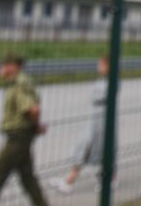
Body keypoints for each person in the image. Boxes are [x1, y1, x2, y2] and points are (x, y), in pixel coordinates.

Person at [0, 54, 48, 206]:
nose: (0, 69)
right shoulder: (18, 82)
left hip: (18, 136)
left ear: (12, 66)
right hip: (21, 134)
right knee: (27, 177)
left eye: (2, 65)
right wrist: (36, 126)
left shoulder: (19, 84)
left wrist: (36, 126)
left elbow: (33, 109)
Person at [48, 56, 109, 194]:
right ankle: (71, 179)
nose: (98, 67)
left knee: (88, 147)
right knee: (88, 148)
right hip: (96, 119)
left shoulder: (112, 81)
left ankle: (70, 181)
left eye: (101, 65)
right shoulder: (104, 80)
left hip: (101, 121)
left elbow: (99, 98)